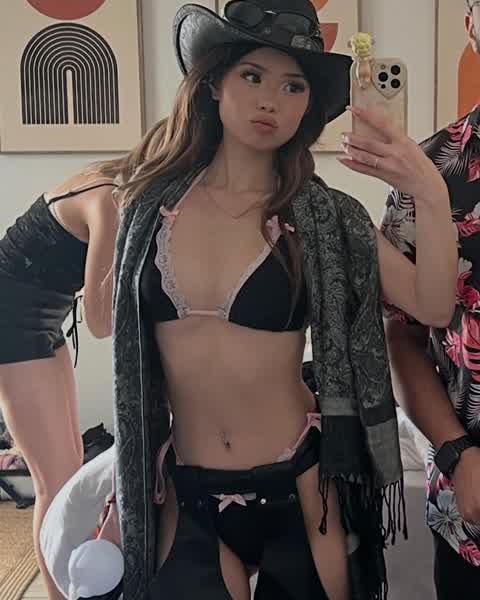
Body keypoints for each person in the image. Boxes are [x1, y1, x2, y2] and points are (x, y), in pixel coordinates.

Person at [108, 1, 457, 598]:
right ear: (213, 83)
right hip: (188, 491)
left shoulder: (328, 218)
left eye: (293, 85)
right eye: (252, 76)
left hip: (301, 487)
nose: (270, 100)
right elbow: (112, 330)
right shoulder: (147, 209)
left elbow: (433, 306)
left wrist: (427, 187)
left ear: (308, 105)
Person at [382, 2, 480, 598]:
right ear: (471, 24)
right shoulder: (430, 173)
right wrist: (457, 453)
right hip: (473, 513)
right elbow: (403, 334)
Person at [0, 170, 120, 600]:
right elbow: (101, 321)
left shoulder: (109, 182)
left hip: (43, 315)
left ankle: (67, 588)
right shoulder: (111, 200)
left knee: (69, 473)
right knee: (52, 482)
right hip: (10, 325)